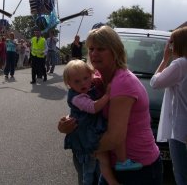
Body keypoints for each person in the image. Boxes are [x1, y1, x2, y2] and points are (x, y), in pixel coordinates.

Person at [58, 26, 163, 185]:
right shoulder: (96, 78)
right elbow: (85, 109)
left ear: (115, 51)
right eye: (91, 48)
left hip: (138, 169)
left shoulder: (123, 83)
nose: (94, 53)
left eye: (101, 49)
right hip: (113, 163)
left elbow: (114, 139)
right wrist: (66, 124)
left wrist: (79, 144)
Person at [63, 59, 142, 185]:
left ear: (90, 75)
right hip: (87, 133)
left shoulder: (87, 87)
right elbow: (93, 108)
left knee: (102, 159)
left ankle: (118, 169)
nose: (83, 83)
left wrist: (96, 81)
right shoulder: (77, 98)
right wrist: (107, 95)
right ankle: (110, 178)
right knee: (90, 168)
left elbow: (93, 81)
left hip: (92, 128)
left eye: (86, 78)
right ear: (69, 83)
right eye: (77, 81)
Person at [150, 26, 187, 185]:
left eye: (171, 42)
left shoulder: (180, 64)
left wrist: (165, 59)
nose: (169, 46)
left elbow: (155, 83)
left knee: (181, 174)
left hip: (179, 129)